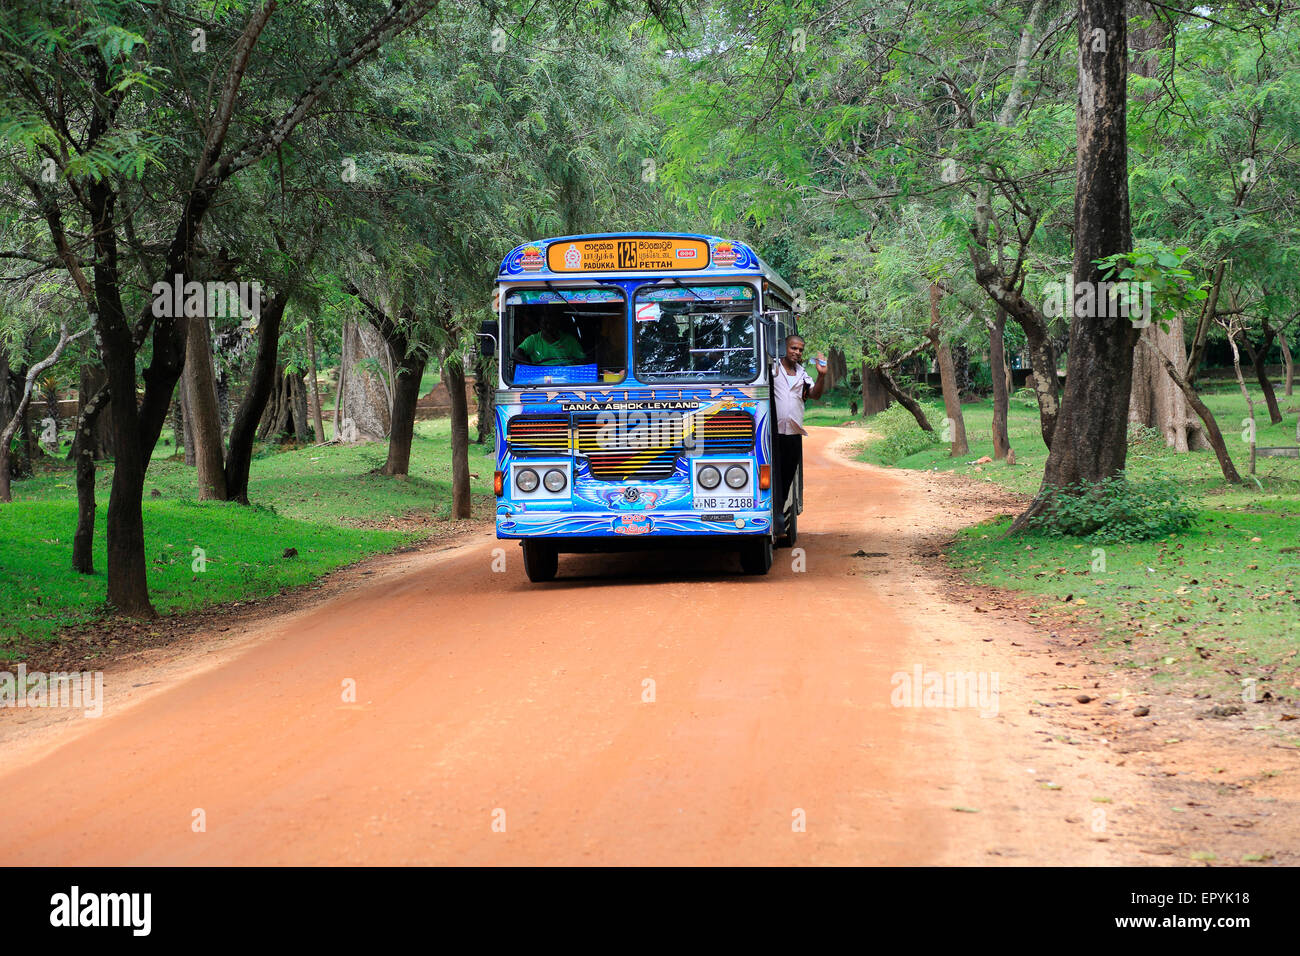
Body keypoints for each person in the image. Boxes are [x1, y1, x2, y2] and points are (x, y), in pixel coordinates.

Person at [772, 334, 828, 511]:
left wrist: (821, 375)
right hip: (773, 434)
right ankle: (771, 513)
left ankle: (779, 514)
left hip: (793, 435)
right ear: (785, 348)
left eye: (800, 350)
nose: (796, 352)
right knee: (772, 475)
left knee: (787, 477)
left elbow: (815, 394)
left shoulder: (802, 374)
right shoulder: (772, 369)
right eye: (793, 348)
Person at [514, 313, 586, 365]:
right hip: (540, 379)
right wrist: (531, 367)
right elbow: (516, 354)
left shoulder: (569, 340)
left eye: (552, 323)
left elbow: (582, 360)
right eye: (545, 323)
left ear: (558, 325)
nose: (548, 327)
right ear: (540, 326)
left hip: (566, 377)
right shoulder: (533, 340)